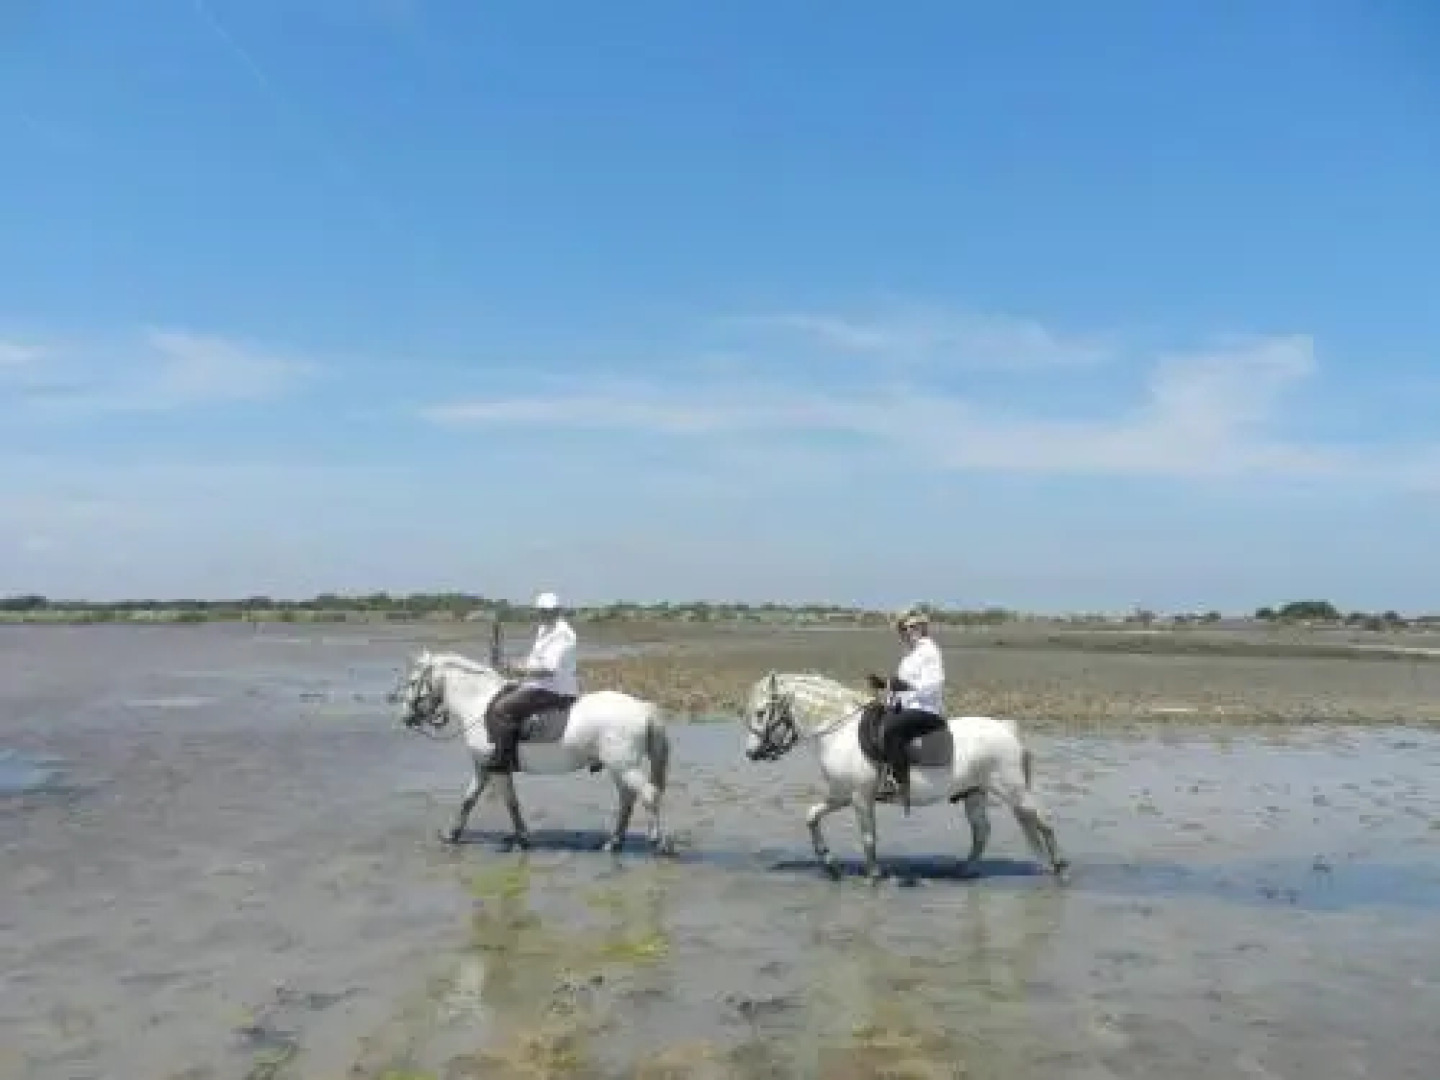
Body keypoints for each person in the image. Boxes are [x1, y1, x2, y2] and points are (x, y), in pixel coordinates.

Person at [485, 591, 580, 773]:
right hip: (540, 684)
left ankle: (506, 760)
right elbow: (535, 660)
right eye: (543, 611)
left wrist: (517, 670)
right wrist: (514, 667)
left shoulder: (563, 635)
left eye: (550, 611)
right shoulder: (544, 629)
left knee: (502, 708)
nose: (545, 614)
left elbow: (547, 669)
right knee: (501, 692)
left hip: (555, 690)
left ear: (558, 610)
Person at [863, 606, 947, 812]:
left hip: (926, 710)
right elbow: (900, 684)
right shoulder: (911, 655)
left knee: (891, 728)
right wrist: (884, 684)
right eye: (904, 628)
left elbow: (935, 683)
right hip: (907, 707)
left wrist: (908, 688)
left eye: (912, 626)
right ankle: (878, 774)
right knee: (873, 717)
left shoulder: (929, 650)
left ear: (922, 627)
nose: (908, 631)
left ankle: (901, 785)